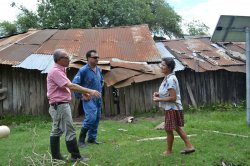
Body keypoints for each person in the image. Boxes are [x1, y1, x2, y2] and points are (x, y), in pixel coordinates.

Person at [47, 49, 101, 161]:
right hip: (60, 105)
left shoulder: (60, 70)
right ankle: (75, 156)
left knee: (56, 130)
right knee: (69, 130)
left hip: (58, 105)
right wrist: (90, 91)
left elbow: (67, 86)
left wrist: (84, 92)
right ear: (59, 60)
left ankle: (56, 157)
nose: (69, 59)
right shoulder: (56, 71)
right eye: (66, 57)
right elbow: (71, 86)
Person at [153, 57, 195, 156]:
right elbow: (168, 93)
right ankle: (189, 146)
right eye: (161, 64)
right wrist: (159, 94)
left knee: (169, 129)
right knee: (176, 128)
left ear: (169, 68)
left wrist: (159, 99)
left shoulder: (171, 79)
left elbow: (173, 97)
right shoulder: (168, 77)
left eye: (163, 65)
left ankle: (169, 151)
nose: (161, 66)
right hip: (172, 108)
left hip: (173, 108)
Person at [72, 50, 103, 148]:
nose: (97, 59)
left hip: (98, 98)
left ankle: (91, 138)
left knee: (97, 118)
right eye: (94, 57)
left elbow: (101, 81)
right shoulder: (83, 70)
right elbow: (74, 84)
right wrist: (81, 96)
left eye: (98, 57)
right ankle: (81, 140)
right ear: (88, 59)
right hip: (88, 99)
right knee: (91, 118)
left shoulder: (99, 69)